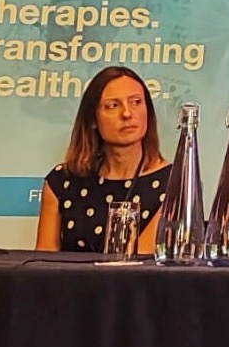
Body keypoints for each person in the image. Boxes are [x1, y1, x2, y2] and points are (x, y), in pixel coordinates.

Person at [35, 66, 172, 253]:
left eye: (136, 102)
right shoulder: (61, 181)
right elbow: (43, 262)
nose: (127, 113)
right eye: (113, 105)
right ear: (92, 119)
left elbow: (141, 261)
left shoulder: (174, 184)